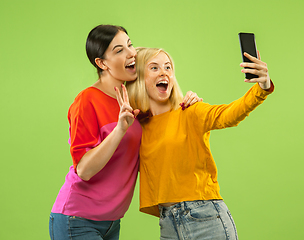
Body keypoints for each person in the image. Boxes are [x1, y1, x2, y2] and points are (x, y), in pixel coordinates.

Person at [49, 25, 201, 240]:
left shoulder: (136, 100)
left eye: (130, 45)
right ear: (102, 63)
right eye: (119, 50)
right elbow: (83, 169)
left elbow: (163, 129)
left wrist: (188, 102)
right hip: (77, 219)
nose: (131, 53)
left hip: (112, 222)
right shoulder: (87, 101)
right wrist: (120, 129)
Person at [125, 47, 274, 240]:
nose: (164, 73)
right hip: (168, 222)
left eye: (168, 67)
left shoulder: (190, 111)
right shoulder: (137, 127)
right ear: (139, 78)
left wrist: (262, 88)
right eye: (154, 68)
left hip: (204, 217)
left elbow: (228, 115)